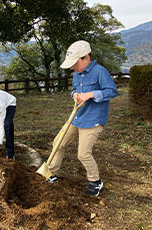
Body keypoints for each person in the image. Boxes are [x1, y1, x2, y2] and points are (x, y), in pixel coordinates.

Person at [47, 40, 118, 196]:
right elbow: (73, 90)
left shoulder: (100, 72)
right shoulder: (77, 74)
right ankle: (51, 174)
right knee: (58, 143)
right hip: (76, 117)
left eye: (75, 63)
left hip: (93, 120)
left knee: (83, 153)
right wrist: (75, 95)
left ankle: (95, 181)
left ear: (86, 58)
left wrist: (91, 94)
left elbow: (112, 91)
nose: (73, 67)